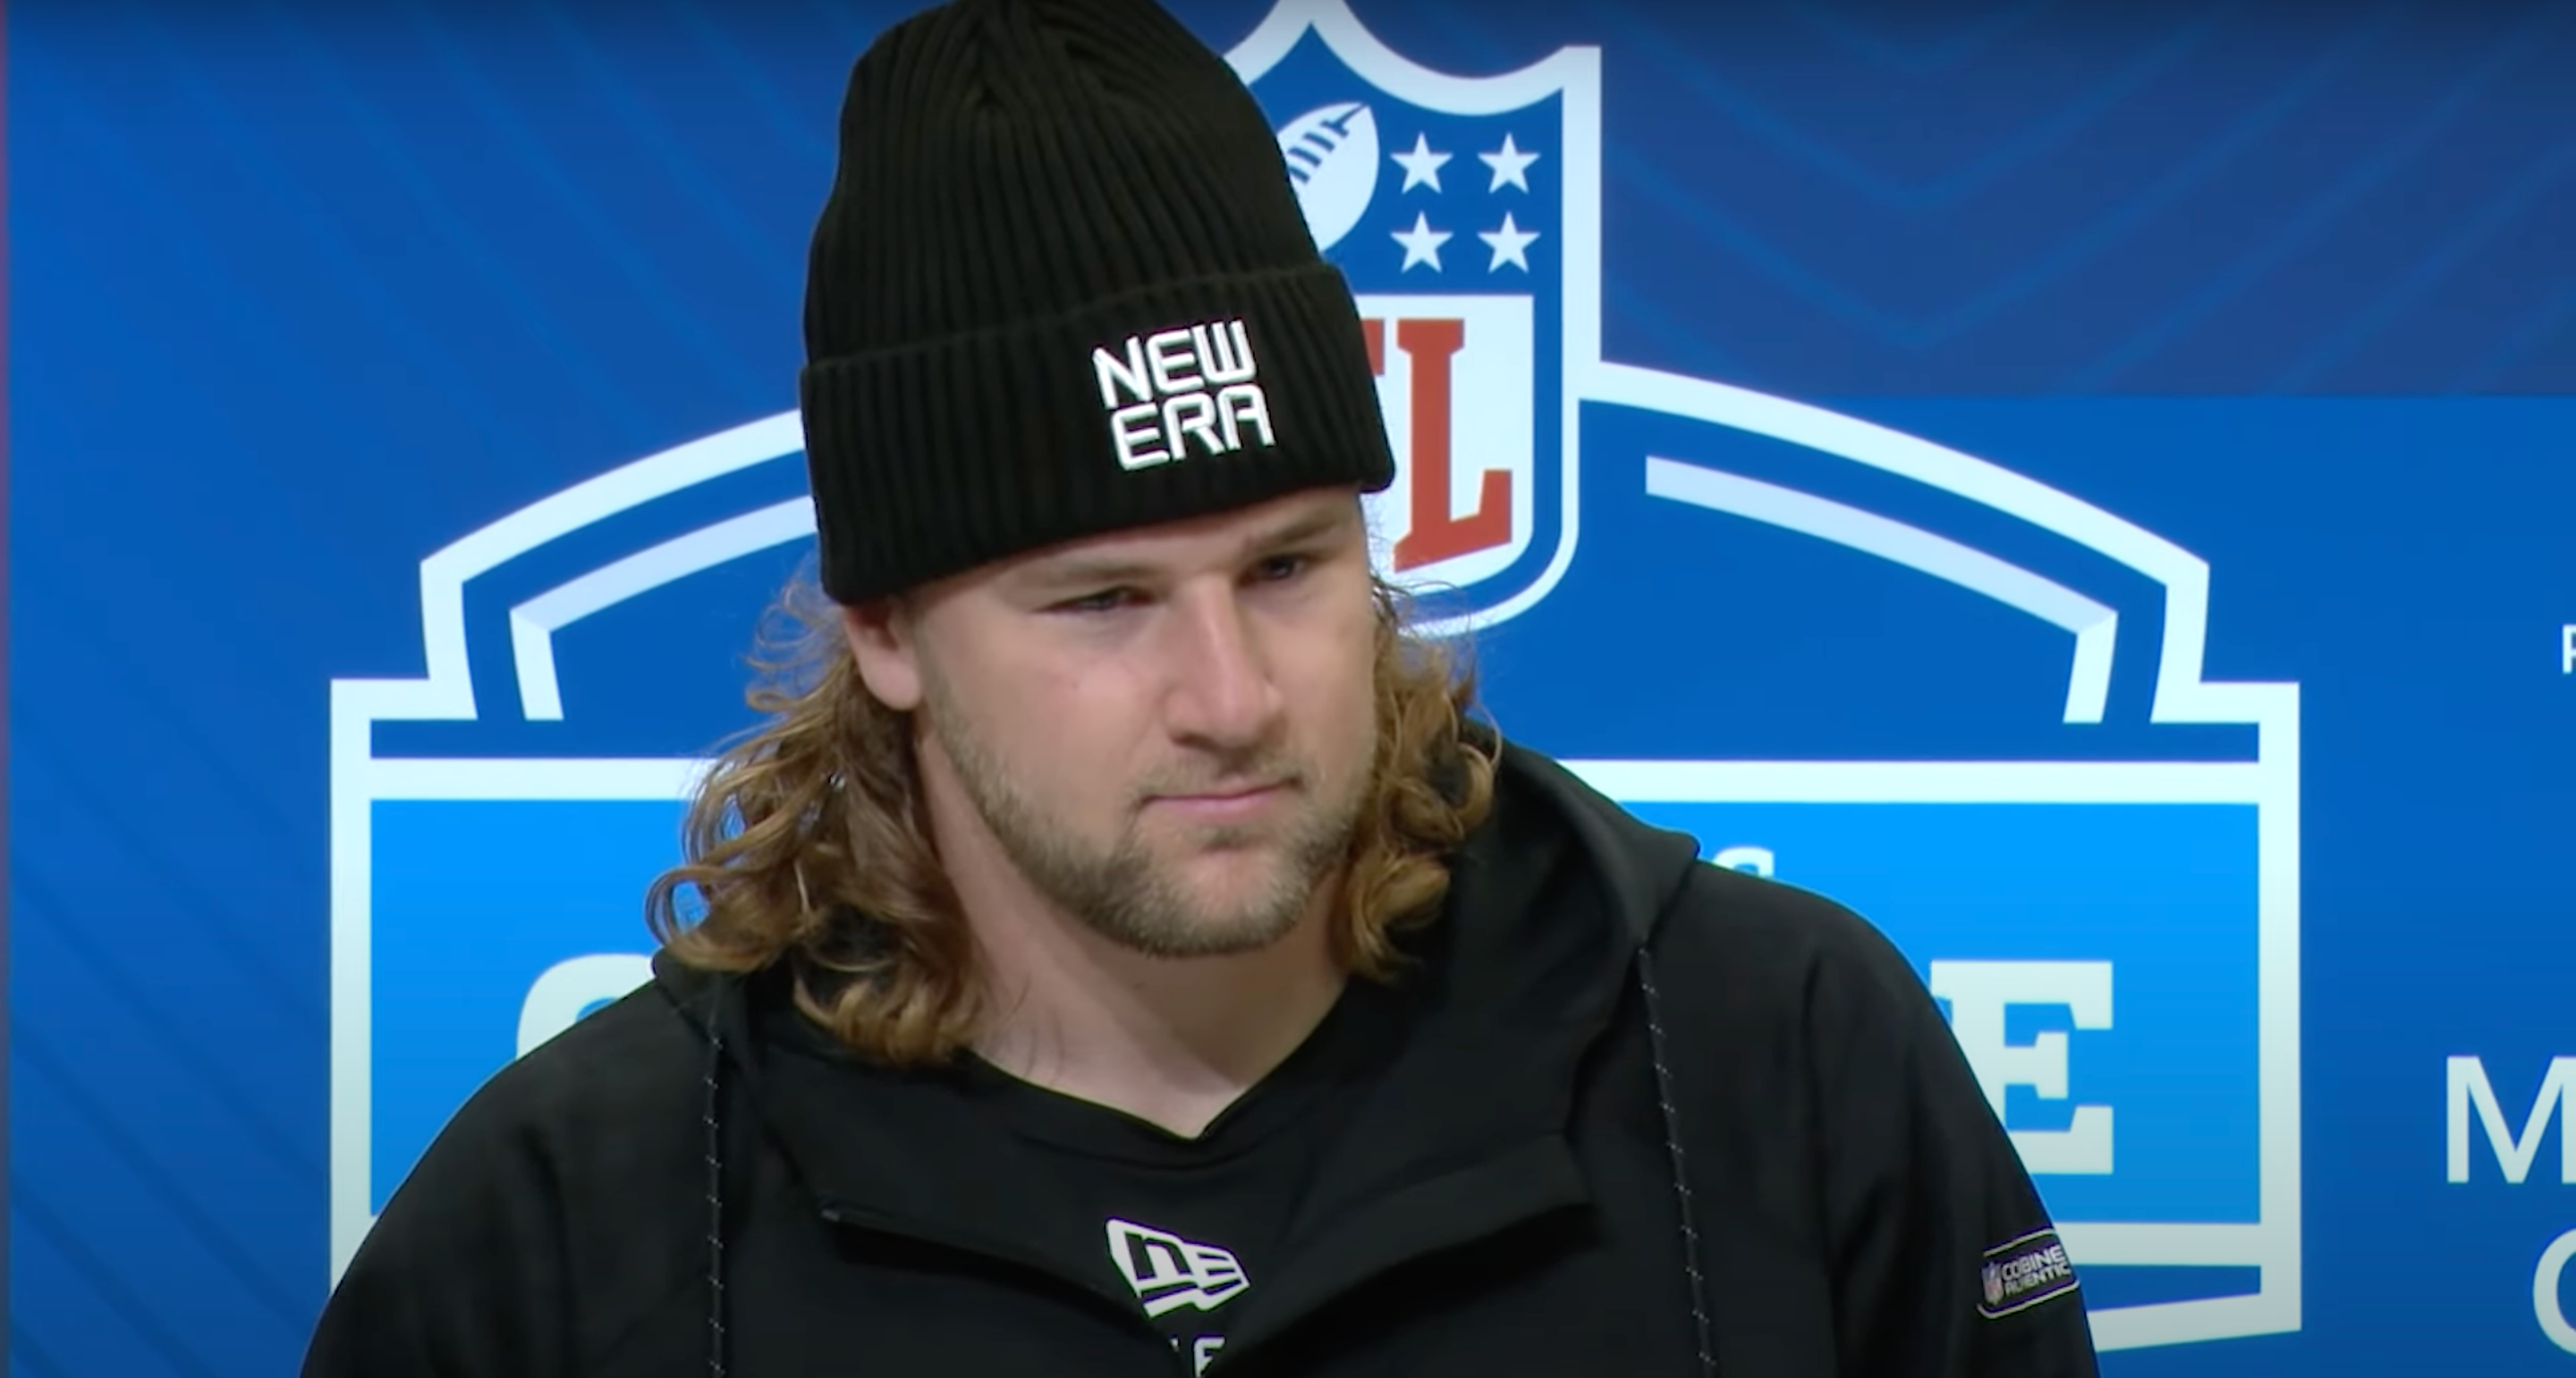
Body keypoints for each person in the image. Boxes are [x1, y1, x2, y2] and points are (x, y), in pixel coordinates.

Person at [301, 0, 2104, 1373]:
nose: (1231, 691)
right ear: (888, 629)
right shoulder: (578, 1223)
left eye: (1290, 567)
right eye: (1101, 600)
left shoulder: (1776, 1061)